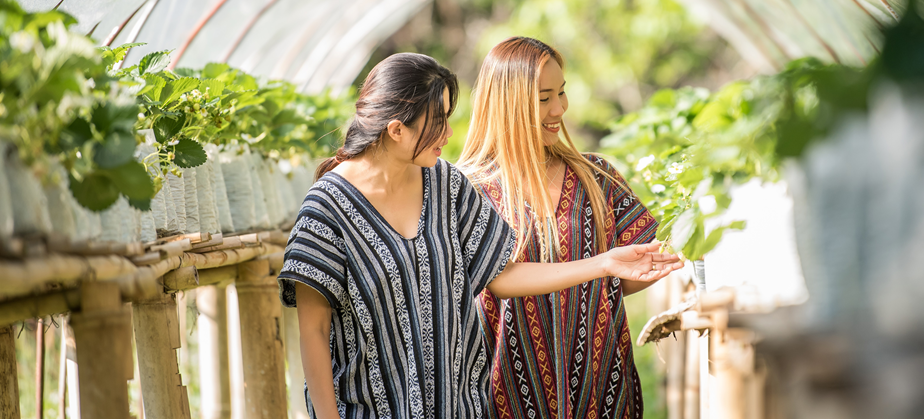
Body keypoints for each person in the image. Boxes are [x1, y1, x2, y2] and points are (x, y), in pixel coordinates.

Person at [278, 53, 682, 419]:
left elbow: (501, 276)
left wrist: (602, 263)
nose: (449, 134)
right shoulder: (326, 209)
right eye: (438, 122)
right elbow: (313, 332)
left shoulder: (446, 185)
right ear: (397, 129)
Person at [458, 37, 664, 419]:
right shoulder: (468, 191)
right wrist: (602, 264)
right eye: (543, 98)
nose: (559, 108)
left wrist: (667, 255)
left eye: (562, 93)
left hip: (602, 390)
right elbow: (492, 281)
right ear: (508, 104)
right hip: (502, 398)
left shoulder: (596, 176)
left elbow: (626, 275)